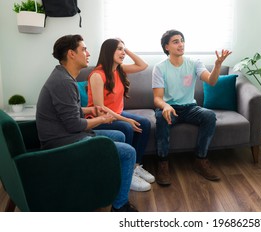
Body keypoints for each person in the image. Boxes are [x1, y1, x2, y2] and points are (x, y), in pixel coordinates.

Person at [36, 34, 138, 212]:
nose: (88, 53)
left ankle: (109, 184)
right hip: (63, 143)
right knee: (128, 152)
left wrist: (89, 110)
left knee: (120, 134)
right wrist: (102, 119)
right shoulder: (63, 83)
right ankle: (120, 206)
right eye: (83, 49)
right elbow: (74, 125)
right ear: (71, 54)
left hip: (67, 135)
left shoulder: (64, 78)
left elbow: (66, 111)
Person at [152, 29, 232, 186]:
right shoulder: (160, 68)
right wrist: (166, 106)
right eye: (176, 41)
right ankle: (162, 163)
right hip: (169, 107)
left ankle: (200, 160)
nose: (181, 44)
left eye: (182, 40)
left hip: (190, 107)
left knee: (209, 115)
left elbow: (211, 81)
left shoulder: (195, 63)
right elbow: (157, 98)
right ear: (166, 47)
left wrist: (217, 66)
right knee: (161, 119)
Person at [87, 38, 154, 192]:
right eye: (119, 49)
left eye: (123, 49)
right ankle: (126, 173)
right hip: (99, 118)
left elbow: (143, 65)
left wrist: (126, 49)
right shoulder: (98, 74)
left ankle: (135, 166)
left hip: (115, 113)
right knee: (126, 127)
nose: (123, 53)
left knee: (145, 123)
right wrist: (126, 119)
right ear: (108, 51)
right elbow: (100, 107)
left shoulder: (119, 70)